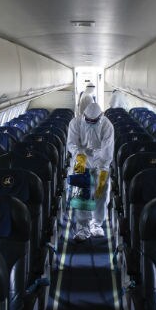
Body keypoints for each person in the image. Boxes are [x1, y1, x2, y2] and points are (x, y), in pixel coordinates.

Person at [67, 102, 114, 241]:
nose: (91, 123)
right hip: (81, 159)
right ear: (84, 116)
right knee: (81, 193)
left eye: (95, 121)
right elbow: (72, 144)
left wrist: (100, 166)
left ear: (101, 116)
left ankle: (97, 223)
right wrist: (83, 153)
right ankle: (83, 227)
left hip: (101, 162)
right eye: (89, 121)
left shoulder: (107, 126)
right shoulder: (75, 123)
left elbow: (107, 150)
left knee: (100, 192)